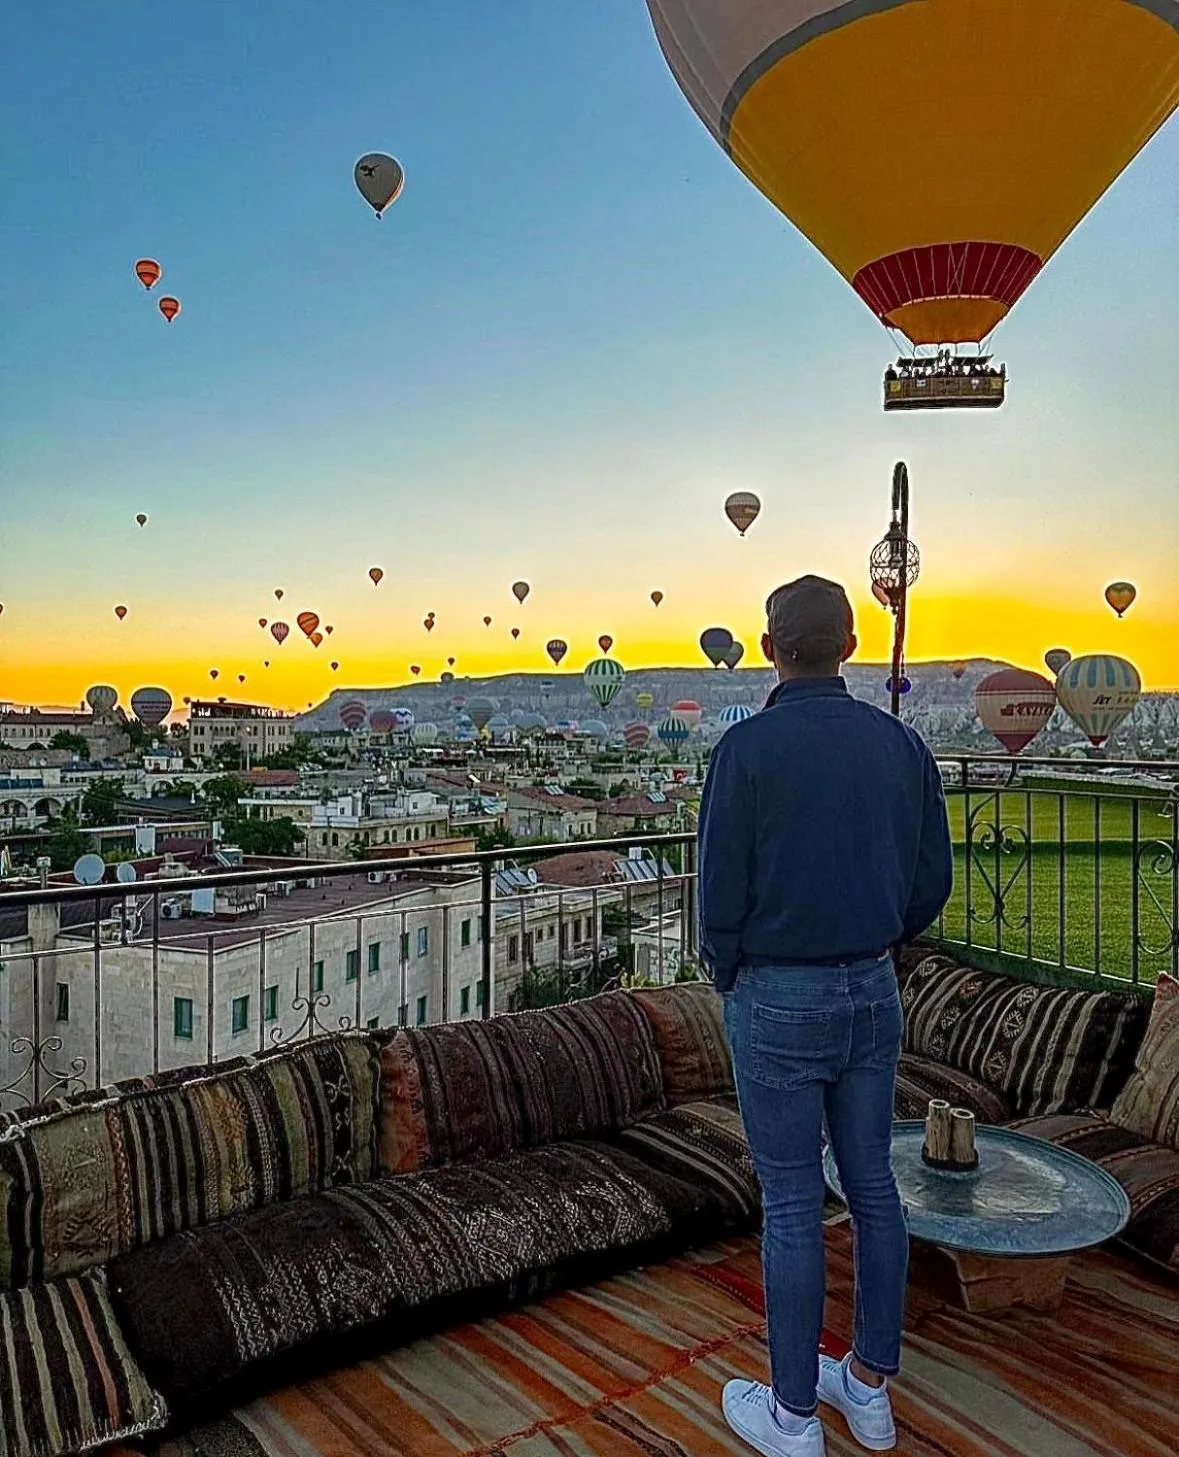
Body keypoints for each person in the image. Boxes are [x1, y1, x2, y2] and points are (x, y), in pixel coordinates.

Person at [698, 575, 953, 1457]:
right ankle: (869, 1388)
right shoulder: (900, 743)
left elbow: (717, 889)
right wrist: (881, 936)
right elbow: (931, 881)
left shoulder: (747, 749)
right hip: (872, 988)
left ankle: (795, 1417)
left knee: (795, 1201)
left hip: (777, 991)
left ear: (770, 646)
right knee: (874, 1186)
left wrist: (729, 969)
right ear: (848, 644)